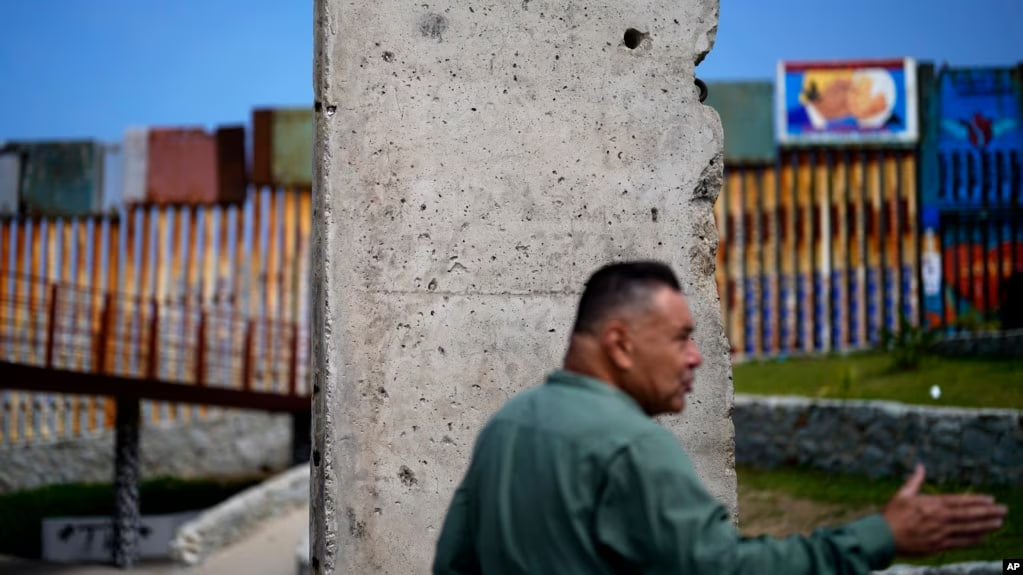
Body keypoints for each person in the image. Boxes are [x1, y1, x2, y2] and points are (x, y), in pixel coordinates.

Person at [432, 260, 1008, 574]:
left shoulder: (507, 426)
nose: (696, 356)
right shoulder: (632, 447)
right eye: (682, 337)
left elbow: (454, 564)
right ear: (620, 344)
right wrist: (879, 536)